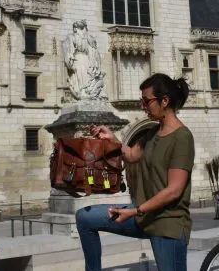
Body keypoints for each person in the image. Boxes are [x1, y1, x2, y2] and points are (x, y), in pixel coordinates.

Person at [76, 73, 195, 271]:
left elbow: (174, 190)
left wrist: (134, 210)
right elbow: (131, 155)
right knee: (84, 218)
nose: (142, 106)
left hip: (167, 223)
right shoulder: (152, 133)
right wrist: (111, 138)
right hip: (141, 215)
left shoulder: (182, 137)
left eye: (146, 101)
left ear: (164, 101)